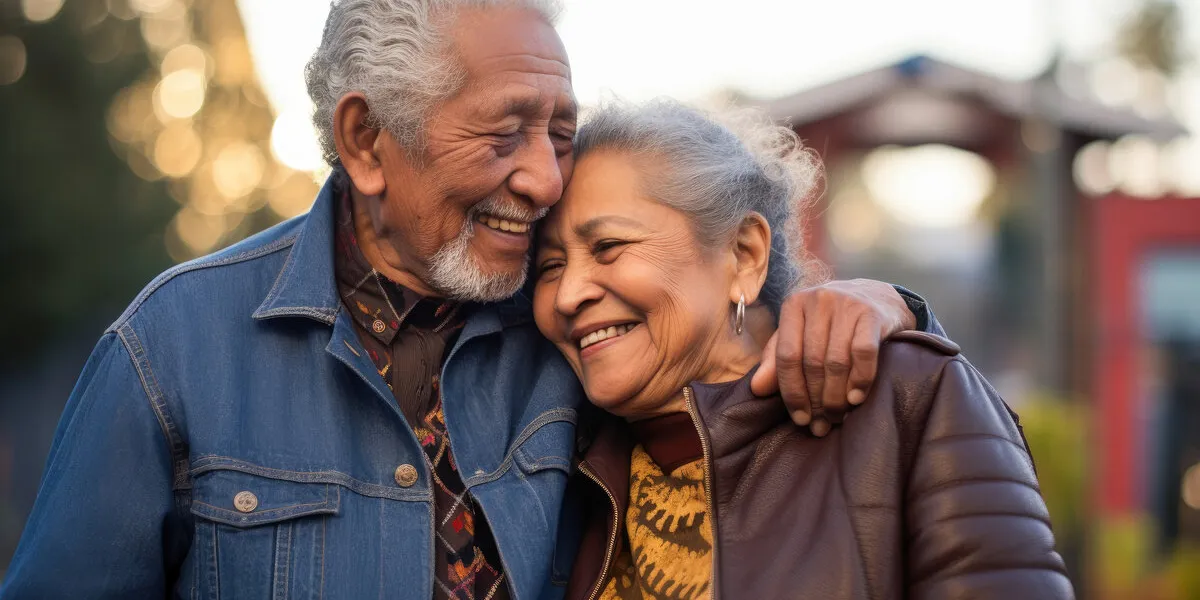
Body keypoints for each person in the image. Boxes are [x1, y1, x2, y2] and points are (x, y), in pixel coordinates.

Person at [0, 2, 945, 598]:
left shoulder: (574, 329)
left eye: (561, 132)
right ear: (368, 141)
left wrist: (879, 307)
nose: (542, 179)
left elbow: (726, 369)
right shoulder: (171, 350)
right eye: (504, 134)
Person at [532, 100, 1073, 599]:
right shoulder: (554, 465)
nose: (570, 293)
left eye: (609, 247)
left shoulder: (907, 397)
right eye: (550, 267)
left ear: (744, 255)